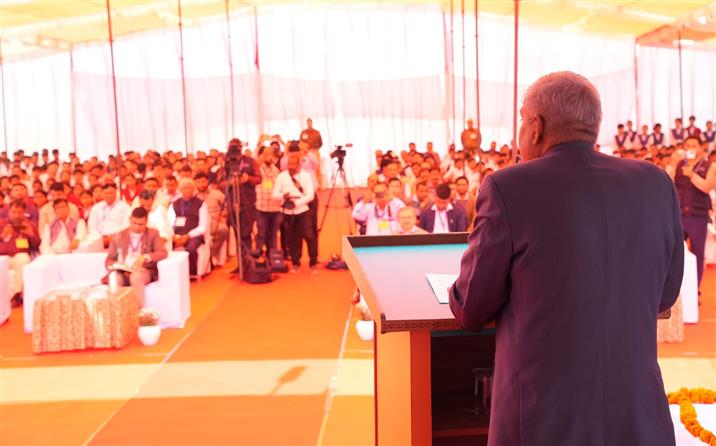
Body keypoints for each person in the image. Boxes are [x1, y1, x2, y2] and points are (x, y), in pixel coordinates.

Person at [449, 71, 683, 446]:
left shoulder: (508, 186)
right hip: (636, 417)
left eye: (522, 122)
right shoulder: (656, 183)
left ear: (535, 126)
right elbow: (666, 296)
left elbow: (471, 307)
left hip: (542, 418)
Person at [674, 135, 716, 288]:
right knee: (675, 254)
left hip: (698, 217)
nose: (690, 148)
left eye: (694, 145)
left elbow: (706, 186)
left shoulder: (711, 166)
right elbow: (672, 185)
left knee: (698, 254)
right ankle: (677, 290)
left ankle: (695, 288)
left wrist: (691, 174)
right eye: (688, 145)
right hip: (679, 215)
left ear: (700, 147)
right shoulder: (680, 164)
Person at [105, 207, 168, 308]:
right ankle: (115, 311)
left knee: (136, 277)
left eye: (140, 224)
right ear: (130, 220)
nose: (137, 227)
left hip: (143, 270)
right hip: (123, 271)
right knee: (114, 277)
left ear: (146, 222)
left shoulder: (153, 233)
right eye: (134, 223)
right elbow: (110, 259)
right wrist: (117, 265)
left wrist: (145, 257)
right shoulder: (119, 235)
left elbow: (162, 253)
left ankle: (138, 312)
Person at [272, 153, 317, 273]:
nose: (291, 167)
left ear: (299, 165)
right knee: (292, 239)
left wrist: (296, 204)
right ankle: (295, 263)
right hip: (287, 210)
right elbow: (274, 194)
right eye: (289, 165)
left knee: (309, 236)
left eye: (294, 165)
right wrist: (283, 196)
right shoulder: (282, 176)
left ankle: (313, 262)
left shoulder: (306, 176)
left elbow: (310, 195)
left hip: (302, 209)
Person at [0, 200, 40, 301]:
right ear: (9, 212)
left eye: (19, 212)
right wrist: (2, 236)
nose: (16, 215)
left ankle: (17, 294)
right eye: (14, 212)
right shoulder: (1, 224)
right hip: (3, 256)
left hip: (20, 255)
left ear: (24, 213)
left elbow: (36, 246)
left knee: (24, 259)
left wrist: (31, 234)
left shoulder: (30, 225)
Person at [169, 178, 208, 276]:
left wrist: (188, 236)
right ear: (180, 190)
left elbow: (203, 226)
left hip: (194, 234)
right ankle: (173, 274)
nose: (187, 190)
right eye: (184, 188)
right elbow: (169, 223)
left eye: (190, 188)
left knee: (191, 248)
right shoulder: (174, 203)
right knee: (166, 246)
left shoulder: (201, 203)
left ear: (194, 189)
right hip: (177, 233)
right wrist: (173, 236)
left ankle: (191, 274)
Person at [255, 146, 282, 255]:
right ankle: (258, 258)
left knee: (273, 235)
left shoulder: (276, 170)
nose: (269, 157)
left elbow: (278, 186)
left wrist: (270, 185)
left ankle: (273, 258)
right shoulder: (257, 169)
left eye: (271, 155)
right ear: (261, 156)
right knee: (261, 234)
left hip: (275, 207)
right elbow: (263, 185)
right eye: (266, 155)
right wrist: (271, 185)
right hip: (261, 207)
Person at [195, 172, 228, 262]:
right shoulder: (194, 195)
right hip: (198, 222)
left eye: (203, 182)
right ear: (195, 183)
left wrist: (223, 215)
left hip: (215, 221)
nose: (201, 184)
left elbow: (227, 206)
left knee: (223, 230)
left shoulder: (216, 194)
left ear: (208, 182)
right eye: (199, 182)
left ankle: (210, 254)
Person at [87, 183, 132, 249]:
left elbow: (127, 225)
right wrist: (101, 238)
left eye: (111, 193)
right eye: (106, 193)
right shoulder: (96, 207)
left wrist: (113, 237)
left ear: (116, 193)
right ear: (102, 194)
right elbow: (91, 226)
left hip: (118, 238)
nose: (109, 195)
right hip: (99, 239)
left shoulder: (124, 207)